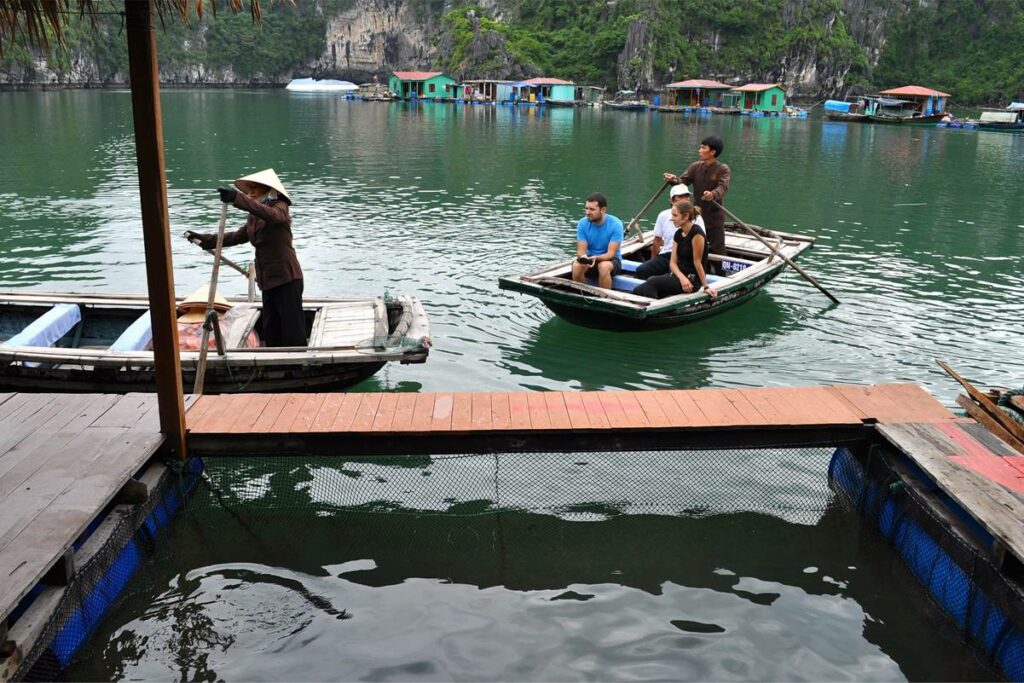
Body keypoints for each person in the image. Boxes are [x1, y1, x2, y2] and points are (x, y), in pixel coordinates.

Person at [184, 168, 305, 348]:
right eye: (247, 190)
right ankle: (273, 362)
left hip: (286, 277)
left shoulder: (280, 207)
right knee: (271, 328)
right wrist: (205, 240)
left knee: (291, 327)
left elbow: (273, 216)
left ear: (266, 189)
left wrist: (237, 199)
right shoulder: (254, 216)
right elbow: (235, 236)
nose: (249, 193)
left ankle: (299, 363)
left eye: (253, 189)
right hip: (268, 280)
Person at [662, 135, 731, 269]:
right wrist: (673, 180)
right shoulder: (695, 167)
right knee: (694, 247)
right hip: (697, 215)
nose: (699, 150)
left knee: (718, 250)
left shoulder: (722, 169)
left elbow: (722, 187)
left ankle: (721, 276)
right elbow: (683, 182)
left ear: (713, 152)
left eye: (703, 148)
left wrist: (713, 194)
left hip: (714, 217)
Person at [633, 200, 717, 300]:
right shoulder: (678, 233)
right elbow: (672, 263)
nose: (671, 219)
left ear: (685, 216)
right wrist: (681, 277)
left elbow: (697, 262)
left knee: (652, 282)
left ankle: (655, 312)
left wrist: (706, 287)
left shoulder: (697, 233)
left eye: (675, 215)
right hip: (678, 276)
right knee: (637, 290)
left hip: (691, 280)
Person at [635, 184, 706, 280]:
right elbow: (657, 241)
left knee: (669, 276)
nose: (685, 199)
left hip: (685, 258)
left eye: (686, 196)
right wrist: (653, 260)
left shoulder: (696, 218)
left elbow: (701, 244)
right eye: (680, 196)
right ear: (672, 200)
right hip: (667, 255)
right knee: (642, 270)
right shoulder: (663, 215)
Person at [572, 192, 624, 290]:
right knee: (576, 266)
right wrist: (584, 258)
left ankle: (604, 299)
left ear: (603, 210)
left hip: (611, 261)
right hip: (590, 258)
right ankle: (579, 294)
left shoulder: (616, 224)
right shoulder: (582, 223)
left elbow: (611, 254)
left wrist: (596, 258)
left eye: (592, 209)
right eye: (586, 208)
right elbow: (581, 252)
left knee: (603, 266)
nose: (587, 212)